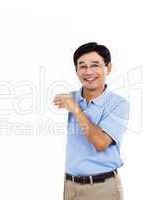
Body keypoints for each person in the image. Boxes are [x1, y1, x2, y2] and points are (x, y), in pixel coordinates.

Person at [54, 42, 129, 200]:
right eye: (82, 66)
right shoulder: (69, 98)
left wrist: (76, 109)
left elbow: (100, 143)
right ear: (76, 71)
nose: (88, 72)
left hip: (103, 189)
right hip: (70, 187)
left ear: (108, 68)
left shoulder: (119, 104)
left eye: (95, 65)